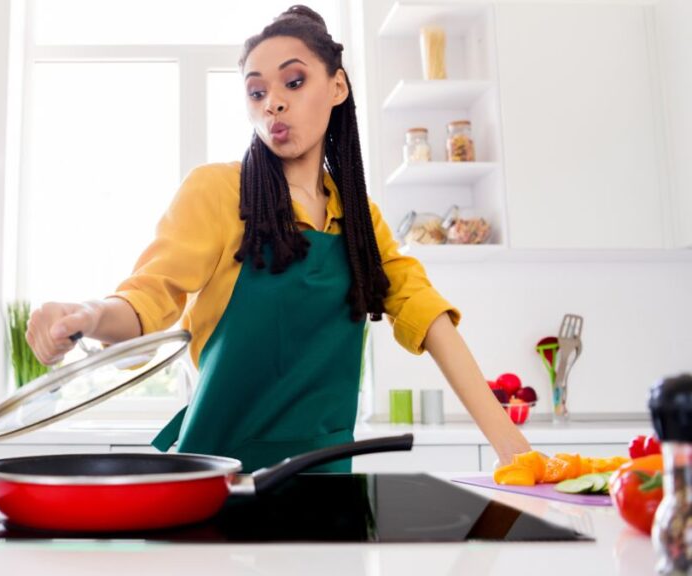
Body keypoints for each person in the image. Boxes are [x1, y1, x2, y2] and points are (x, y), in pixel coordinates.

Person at [26, 5, 532, 471]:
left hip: (324, 479)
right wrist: (89, 315)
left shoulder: (361, 221)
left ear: (337, 88)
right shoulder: (218, 191)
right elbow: (145, 302)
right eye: (257, 92)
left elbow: (430, 320)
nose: (274, 104)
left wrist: (516, 452)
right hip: (216, 478)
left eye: (293, 82)